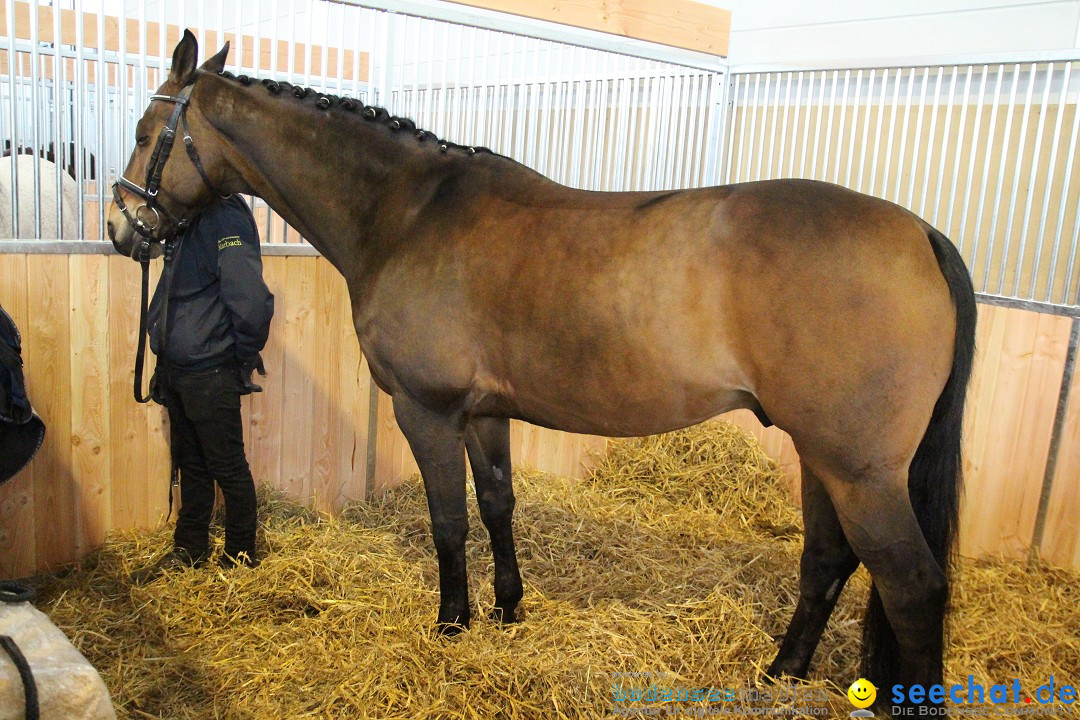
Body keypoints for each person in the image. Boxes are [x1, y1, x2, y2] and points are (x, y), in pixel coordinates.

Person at [130, 195, 274, 584]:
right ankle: (190, 549)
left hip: (209, 368)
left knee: (227, 467)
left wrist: (239, 358)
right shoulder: (188, 215)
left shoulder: (226, 216)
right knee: (191, 465)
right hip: (178, 367)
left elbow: (251, 300)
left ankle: (240, 557)